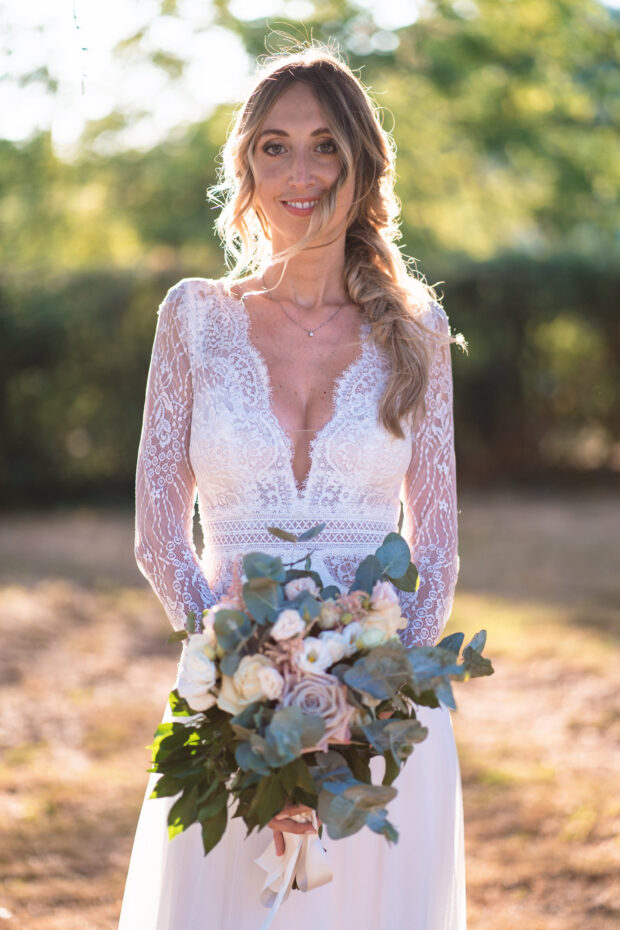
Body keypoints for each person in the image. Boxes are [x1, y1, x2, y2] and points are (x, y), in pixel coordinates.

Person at [118, 44, 464, 930]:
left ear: (362, 165)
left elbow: (439, 543)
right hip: (228, 712)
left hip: (382, 727)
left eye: (324, 146)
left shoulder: (416, 330)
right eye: (274, 147)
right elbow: (160, 530)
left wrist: (370, 705)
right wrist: (241, 689)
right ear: (245, 168)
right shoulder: (193, 316)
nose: (298, 173)